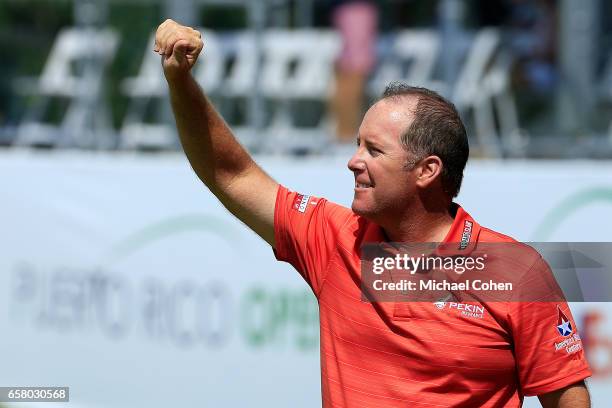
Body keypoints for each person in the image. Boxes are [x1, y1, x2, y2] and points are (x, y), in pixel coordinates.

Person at [154, 19, 592, 407]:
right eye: (357, 145)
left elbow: (566, 399)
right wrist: (180, 82)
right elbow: (231, 174)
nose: (353, 161)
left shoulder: (516, 272)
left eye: (374, 150)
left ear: (427, 171)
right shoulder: (333, 236)